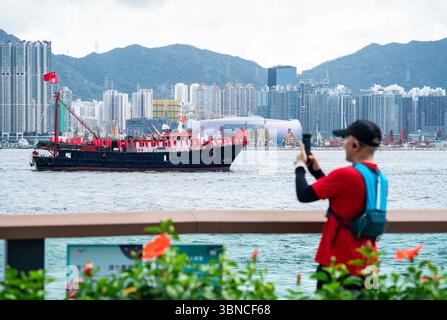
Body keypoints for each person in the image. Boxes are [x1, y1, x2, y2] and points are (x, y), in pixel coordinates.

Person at [295, 120, 387, 290]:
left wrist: (299, 166)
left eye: (345, 140)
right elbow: (345, 202)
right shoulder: (381, 179)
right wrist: (316, 172)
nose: (343, 145)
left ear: (355, 145)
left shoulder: (346, 175)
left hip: (339, 266)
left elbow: (304, 195)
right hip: (370, 265)